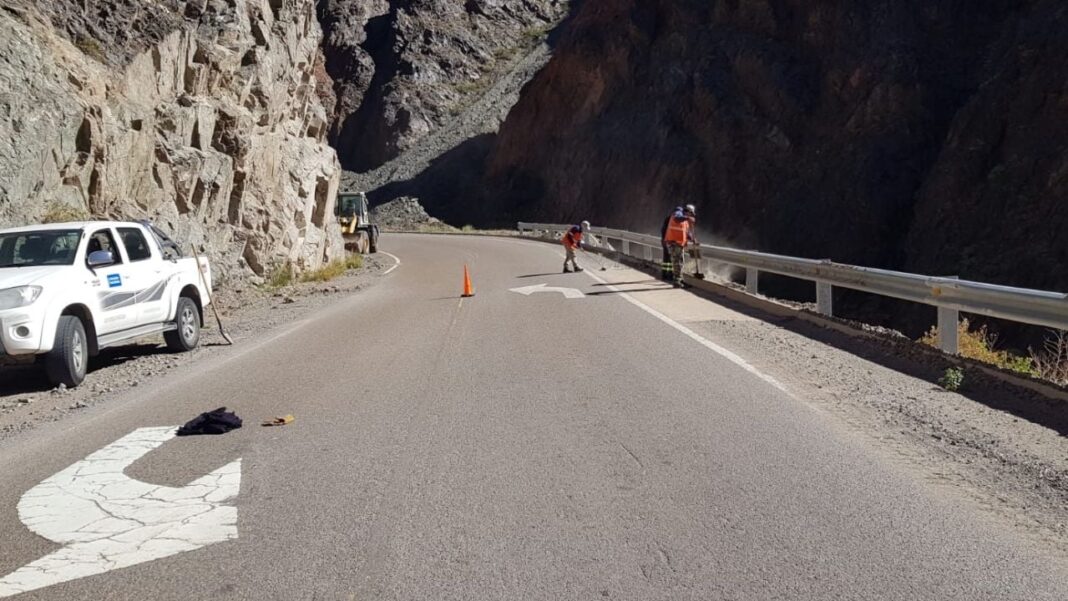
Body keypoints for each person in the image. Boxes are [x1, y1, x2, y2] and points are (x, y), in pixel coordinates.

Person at [664, 206, 695, 287]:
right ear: (688, 211)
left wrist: (691, 238)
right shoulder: (678, 213)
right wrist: (688, 218)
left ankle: (680, 280)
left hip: (680, 244)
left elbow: (685, 232)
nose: (691, 216)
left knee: (680, 262)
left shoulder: (685, 221)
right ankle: (677, 281)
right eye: (690, 214)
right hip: (674, 243)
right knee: (677, 263)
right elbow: (677, 219)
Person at [660, 206, 682, 281]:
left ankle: (664, 275)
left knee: (666, 258)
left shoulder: (668, 218)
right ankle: (670, 275)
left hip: (665, 241)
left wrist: (663, 239)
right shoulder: (674, 220)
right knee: (671, 259)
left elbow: (663, 230)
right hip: (670, 241)